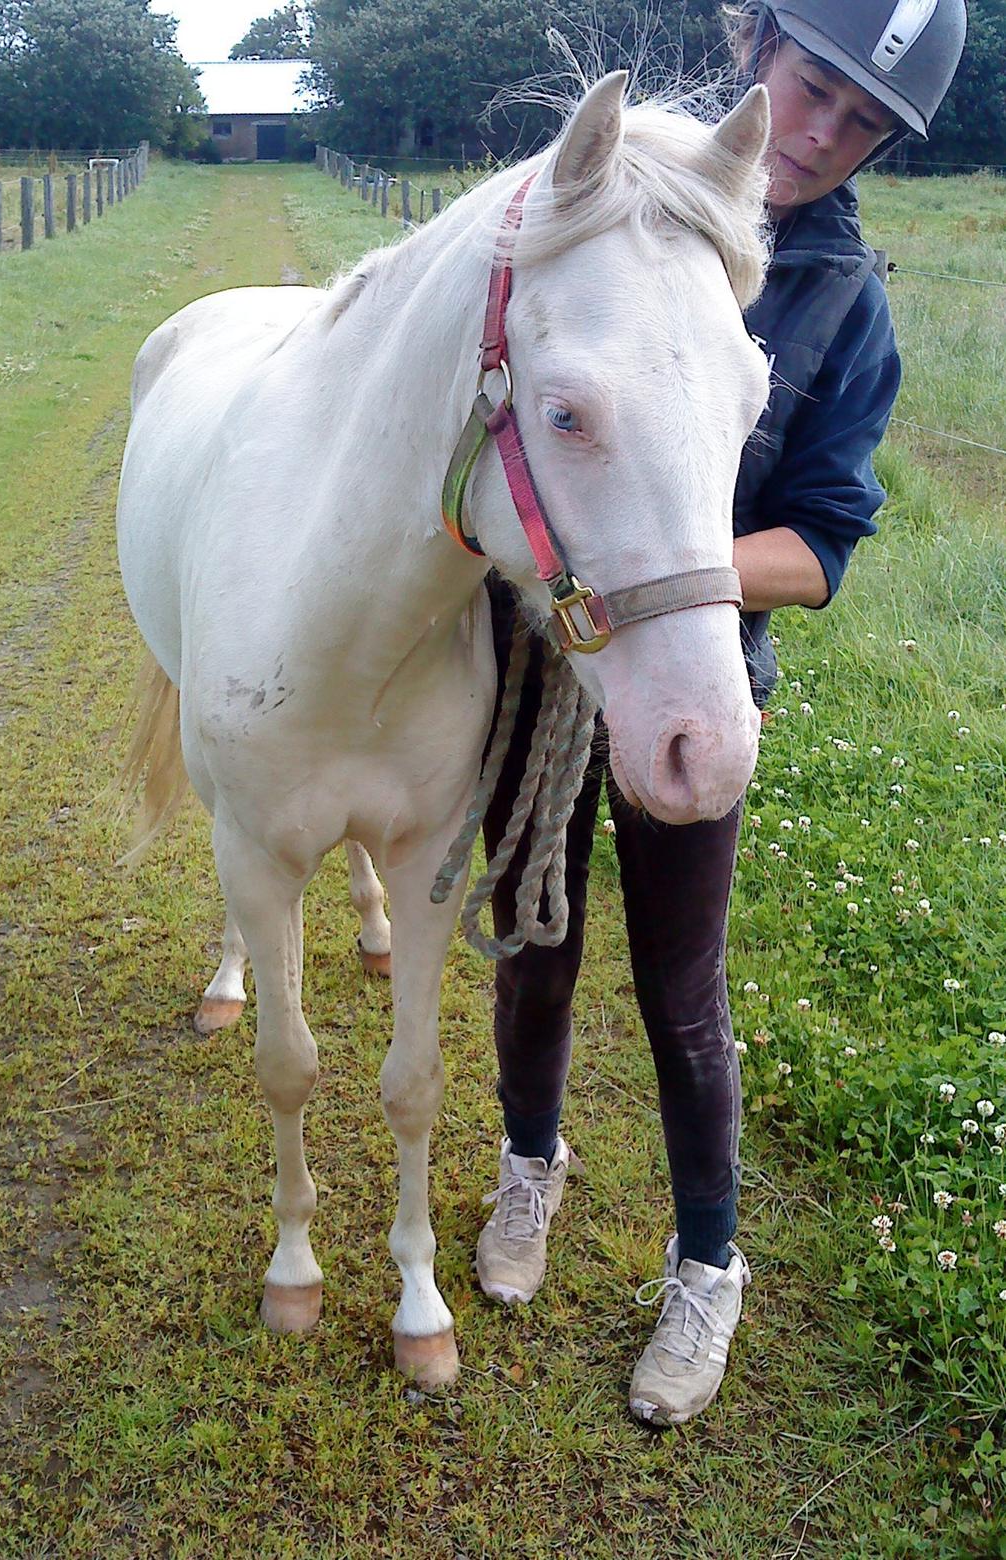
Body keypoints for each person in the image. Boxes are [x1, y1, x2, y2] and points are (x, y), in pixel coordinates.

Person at [475, 0, 967, 1429]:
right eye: (813, 88)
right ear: (755, 49)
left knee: (681, 994)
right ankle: (528, 1170)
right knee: (533, 942)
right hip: (539, 672)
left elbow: (819, 544)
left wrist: (639, 594)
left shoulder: (837, 295)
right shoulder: (600, 211)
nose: (818, 138)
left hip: (689, 682)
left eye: (861, 122)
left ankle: (706, 1270)